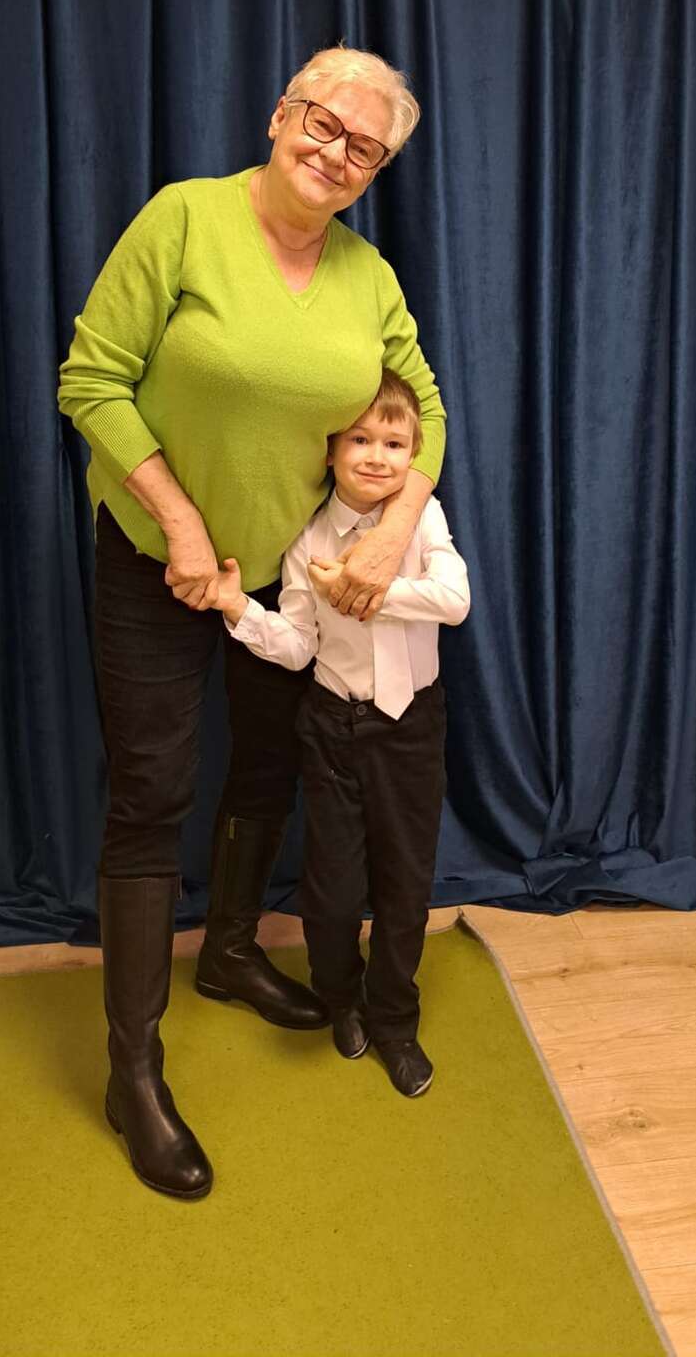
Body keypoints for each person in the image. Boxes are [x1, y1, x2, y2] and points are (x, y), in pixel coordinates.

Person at [57, 47, 445, 1199]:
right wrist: (178, 522)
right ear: (282, 115)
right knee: (152, 792)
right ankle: (134, 1071)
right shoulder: (184, 219)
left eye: (364, 147)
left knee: (268, 772)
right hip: (157, 565)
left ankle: (228, 954)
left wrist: (391, 530)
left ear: (377, 170)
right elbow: (91, 380)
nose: (336, 153)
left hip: (288, 580)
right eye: (323, 124)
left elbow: (425, 410)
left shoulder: (367, 276)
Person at [215, 371, 470, 1098]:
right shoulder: (308, 538)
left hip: (411, 729)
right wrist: (239, 611)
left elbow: (454, 601)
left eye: (394, 443)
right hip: (332, 726)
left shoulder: (422, 520)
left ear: (414, 454)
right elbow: (298, 646)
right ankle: (341, 999)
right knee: (330, 894)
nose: (377, 457)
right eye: (360, 439)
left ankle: (395, 1022)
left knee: (404, 890)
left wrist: (366, 591)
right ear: (329, 449)